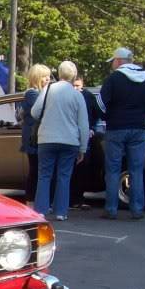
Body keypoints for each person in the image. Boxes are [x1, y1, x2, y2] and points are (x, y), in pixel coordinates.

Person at [98, 47, 145, 219]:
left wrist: (107, 116)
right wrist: (142, 116)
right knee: (136, 170)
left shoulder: (113, 78)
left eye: (113, 61)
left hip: (116, 127)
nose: (112, 65)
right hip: (138, 127)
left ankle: (111, 209)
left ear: (118, 61)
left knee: (113, 169)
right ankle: (137, 209)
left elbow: (101, 102)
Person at [31, 61, 90, 221]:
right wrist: (83, 148)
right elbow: (83, 124)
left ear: (59, 73)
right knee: (64, 176)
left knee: (44, 175)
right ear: (74, 76)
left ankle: (41, 209)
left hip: (47, 138)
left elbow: (35, 112)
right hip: (70, 141)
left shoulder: (48, 89)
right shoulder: (77, 95)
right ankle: (61, 212)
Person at [19, 63, 51, 208]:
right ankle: (31, 200)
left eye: (49, 77)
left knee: (39, 170)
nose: (48, 80)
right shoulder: (32, 94)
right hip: (33, 138)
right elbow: (40, 111)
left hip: (36, 136)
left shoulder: (36, 93)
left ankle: (36, 200)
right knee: (35, 170)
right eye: (45, 77)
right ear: (37, 78)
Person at [70, 75, 101, 209]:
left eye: (78, 86)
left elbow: (95, 114)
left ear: (82, 84)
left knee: (82, 168)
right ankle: (72, 198)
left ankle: (78, 197)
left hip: (84, 134)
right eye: (74, 86)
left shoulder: (88, 96)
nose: (76, 88)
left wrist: (92, 128)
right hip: (72, 135)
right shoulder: (69, 95)